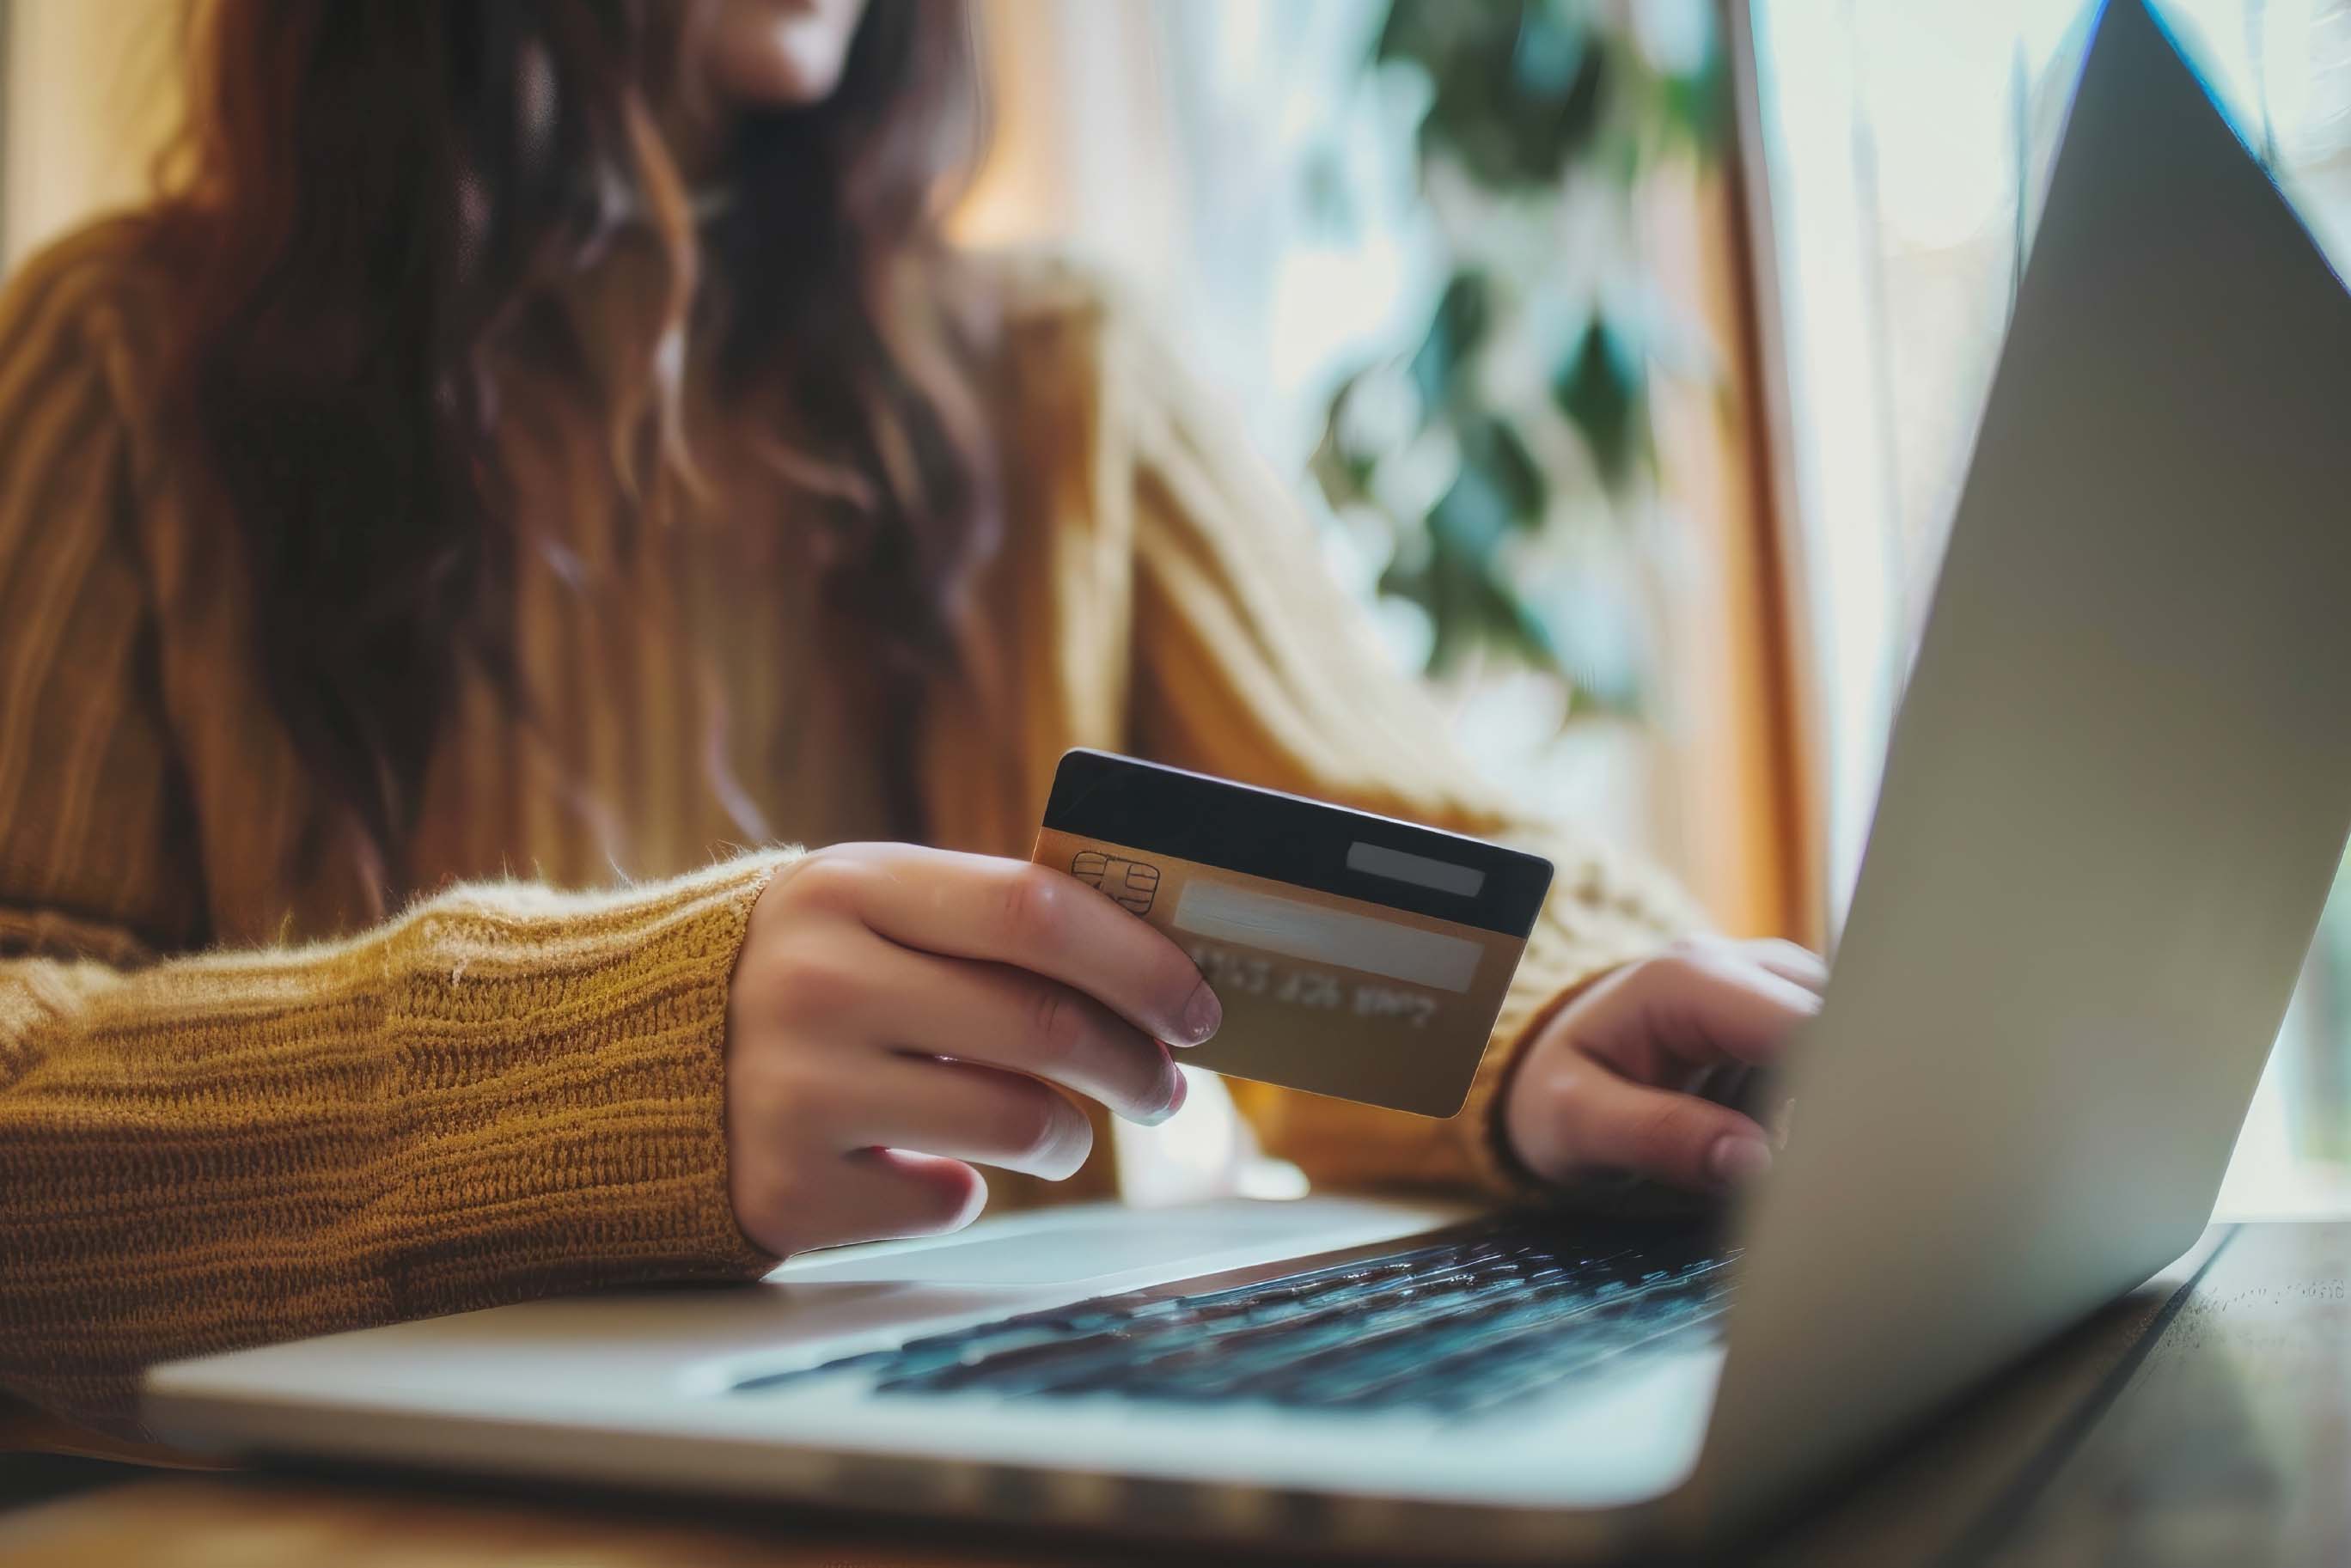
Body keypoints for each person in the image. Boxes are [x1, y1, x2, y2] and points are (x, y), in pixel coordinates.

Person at [0, 0, 1821, 1437]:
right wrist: (608, 1060)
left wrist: (1556, 1010)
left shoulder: (1061, 374)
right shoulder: (117, 360)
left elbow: (1377, 853)